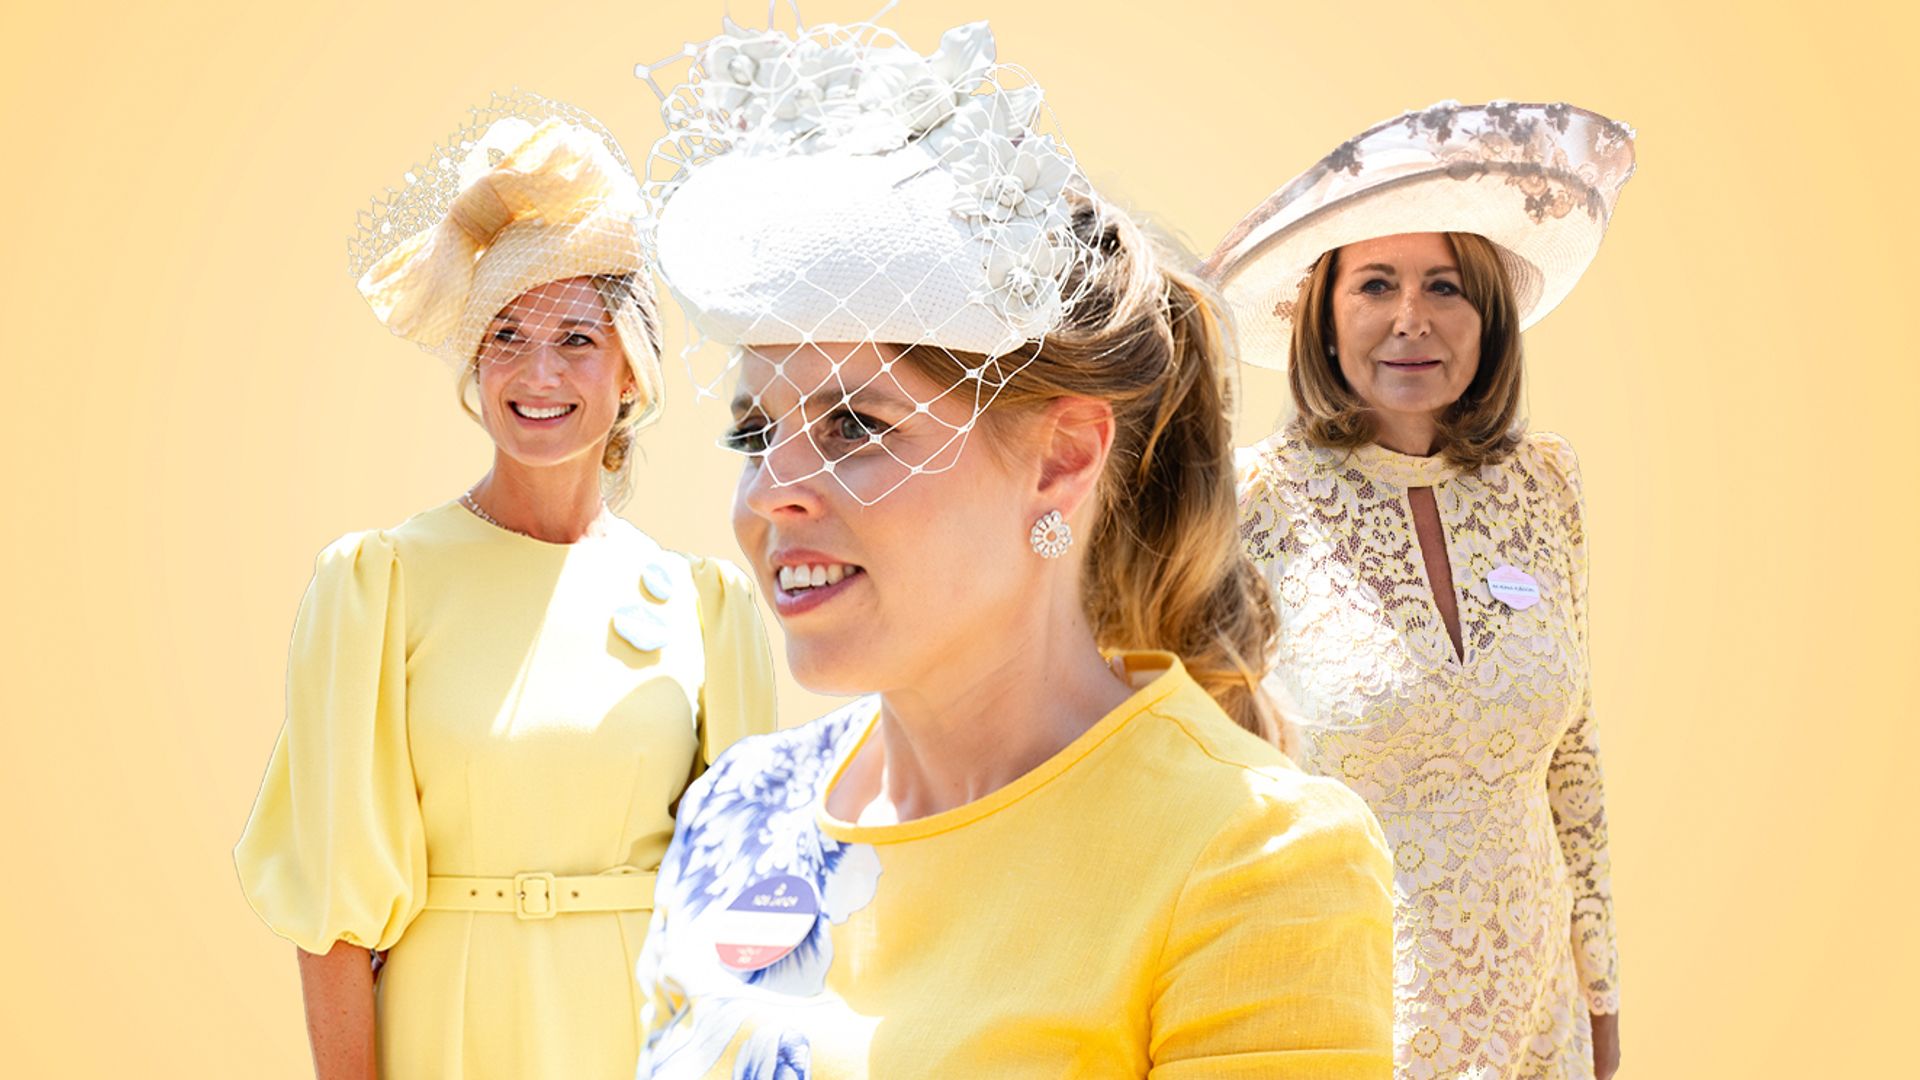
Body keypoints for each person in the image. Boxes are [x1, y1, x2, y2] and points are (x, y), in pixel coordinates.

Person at [626, 17, 1394, 1078]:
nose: (774, 495)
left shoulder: (1252, 857)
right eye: (756, 431)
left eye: (856, 425)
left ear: (1061, 460)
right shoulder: (734, 807)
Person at [234, 92, 776, 1080]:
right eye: (506, 336)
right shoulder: (376, 584)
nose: (538, 371)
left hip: (650, 1037)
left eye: (576, 337)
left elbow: (742, 910)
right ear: (475, 365)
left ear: (632, 374)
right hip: (452, 1024)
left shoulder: (710, 607)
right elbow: (333, 919)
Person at [1204, 101, 1635, 1079]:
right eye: (1376, 285)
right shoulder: (1248, 499)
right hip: (1345, 1015)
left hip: (1540, 1022)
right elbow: (1206, 780)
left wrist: (1601, 993)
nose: (1411, 318)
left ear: (1488, 313)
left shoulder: (1548, 484)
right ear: (1324, 312)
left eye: (1445, 285)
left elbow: (1574, 754)